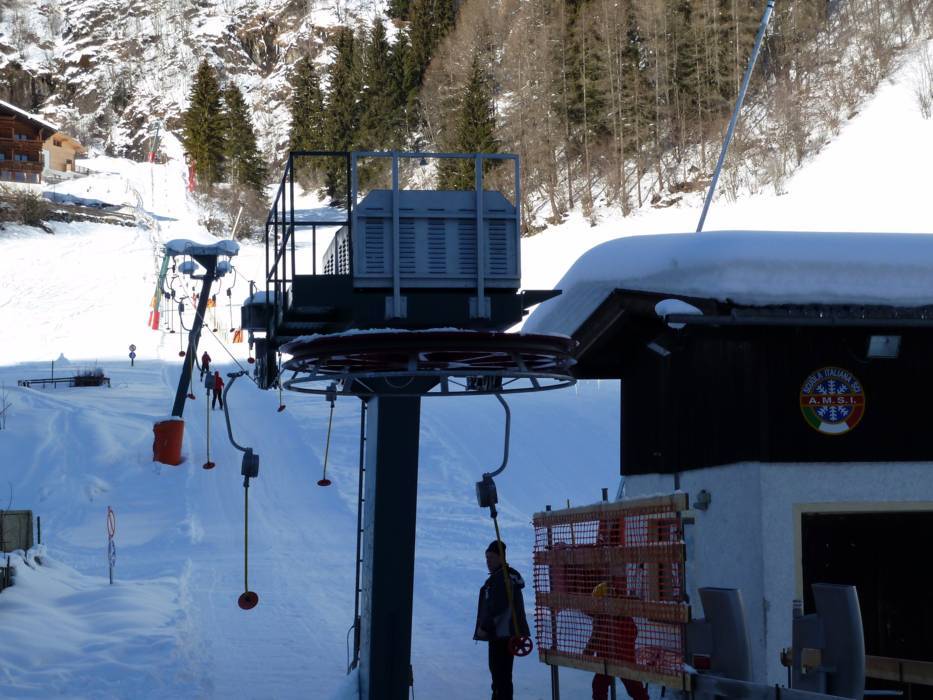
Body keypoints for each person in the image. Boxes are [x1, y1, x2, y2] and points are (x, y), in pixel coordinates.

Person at [474, 540, 530, 700]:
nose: (488, 561)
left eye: (491, 557)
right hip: (505, 634)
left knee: (500, 678)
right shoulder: (504, 576)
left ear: (501, 557)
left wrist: (484, 627)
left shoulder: (502, 579)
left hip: (501, 634)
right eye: (486, 558)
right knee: (502, 678)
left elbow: (498, 607)